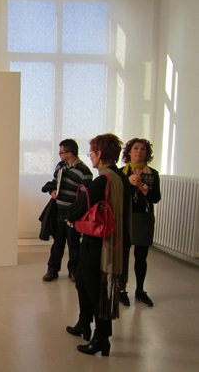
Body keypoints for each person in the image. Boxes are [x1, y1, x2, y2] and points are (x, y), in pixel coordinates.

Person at [65, 133, 131, 356]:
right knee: (82, 280)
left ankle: (102, 337)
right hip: (112, 240)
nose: (90, 157)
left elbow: (80, 207)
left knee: (96, 289)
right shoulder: (120, 177)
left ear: (100, 154)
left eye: (91, 152)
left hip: (99, 243)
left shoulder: (104, 179)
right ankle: (84, 323)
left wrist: (70, 215)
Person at [42, 139, 93, 282]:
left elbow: (85, 197)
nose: (59, 155)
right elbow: (54, 182)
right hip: (59, 211)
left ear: (69, 153)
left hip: (74, 215)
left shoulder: (84, 171)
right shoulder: (60, 166)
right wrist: (52, 190)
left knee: (74, 244)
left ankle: (74, 271)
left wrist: (74, 210)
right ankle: (52, 271)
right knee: (57, 243)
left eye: (61, 152)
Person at [119, 138, 161, 307]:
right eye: (135, 148)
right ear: (129, 152)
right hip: (124, 217)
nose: (139, 151)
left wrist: (143, 186)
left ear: (147, 154)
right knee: (122, 256)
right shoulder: (121, 172)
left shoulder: (152, 174)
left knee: (141, 256)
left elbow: (156, 198)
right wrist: (127, 184)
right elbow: (116, 197)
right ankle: (121, 290)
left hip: (144, 217)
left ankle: (140, 290)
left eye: (143, 149)